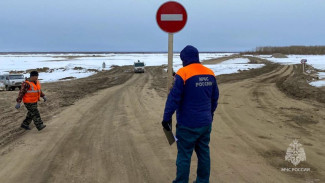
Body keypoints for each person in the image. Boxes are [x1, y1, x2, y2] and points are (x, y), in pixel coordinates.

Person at [162, 45, 219, 183]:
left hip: (187, 125)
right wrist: (210, 114)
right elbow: (215, 98)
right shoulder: (209, 73)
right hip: (205, 123)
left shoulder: (183, 73)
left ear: (184, 59)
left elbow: (174, 98)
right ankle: (203, 180)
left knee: (184, 156)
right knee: (204, 153)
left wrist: (166, 118)